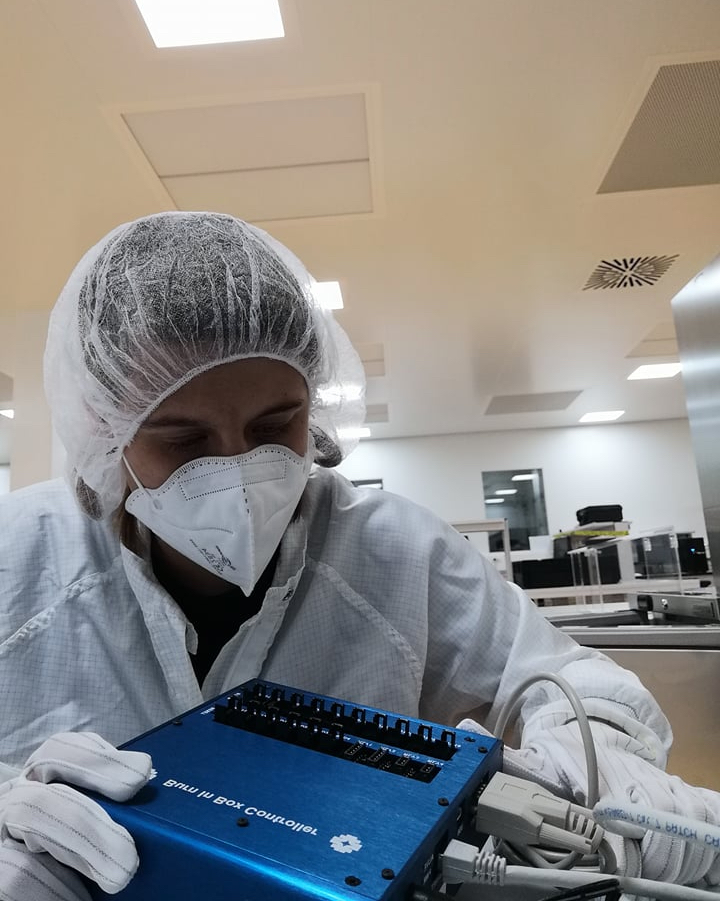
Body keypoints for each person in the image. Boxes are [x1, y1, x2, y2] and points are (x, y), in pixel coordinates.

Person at [0, 211, 718, 899]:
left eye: (275, 423)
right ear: (104, 430)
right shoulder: (20, 555)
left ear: (316, 405)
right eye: (182, 441)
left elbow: (579, 684)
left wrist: (572, 767)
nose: (237, 472)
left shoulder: (392, 549)